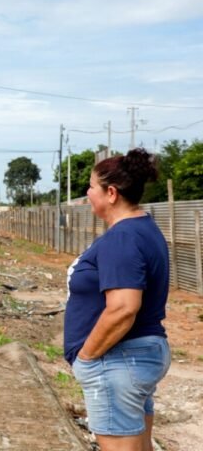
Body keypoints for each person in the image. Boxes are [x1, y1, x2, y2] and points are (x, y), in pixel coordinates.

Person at [64, 148, 171, 451]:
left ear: (111, 193)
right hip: (135, 357)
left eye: (91, 186)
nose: (87, 193)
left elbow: (124, 307)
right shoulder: (143, 228)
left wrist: (86, 358)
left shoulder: (122, 237)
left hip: (118, 360)